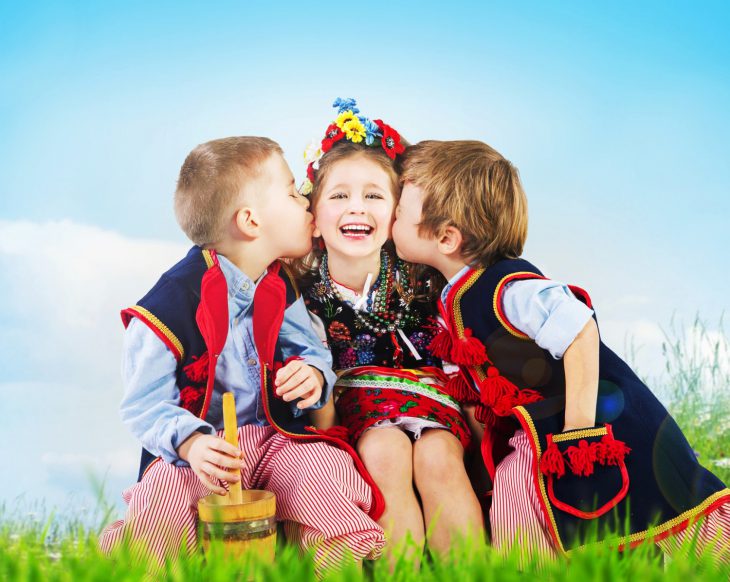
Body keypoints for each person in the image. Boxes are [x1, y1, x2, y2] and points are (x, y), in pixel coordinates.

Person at [391, 139, 730, 562]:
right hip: (540, 432)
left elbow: (580, 330)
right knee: (521, 494)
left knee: (676, 506)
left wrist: (579, 433)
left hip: (603, 422)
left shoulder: (510, 289)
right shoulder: (456, 297)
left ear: (446, 237)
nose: (392, 218)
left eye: (399, 211)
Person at [98, 136, 386, 572]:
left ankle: (335, 568)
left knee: (323, 471)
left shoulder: (278, 284)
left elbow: (310, 349)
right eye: (292, 193)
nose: (305, 202)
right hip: (197, 456)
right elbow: (144, 407)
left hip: (275, 440)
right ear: (251, 221)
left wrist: (311, 373)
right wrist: (193, 444)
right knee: (163, 500)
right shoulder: (164, 309)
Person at [294, 99, 484, 563]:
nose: (357, 208)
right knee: (385, 451)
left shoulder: (424, 275)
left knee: (438, 457)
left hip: (433, 403)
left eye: (374, 196)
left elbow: (461, 357)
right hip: (356, 410)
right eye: (339, 196)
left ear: (398, 210)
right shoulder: (299, 292)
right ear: (313, 214)